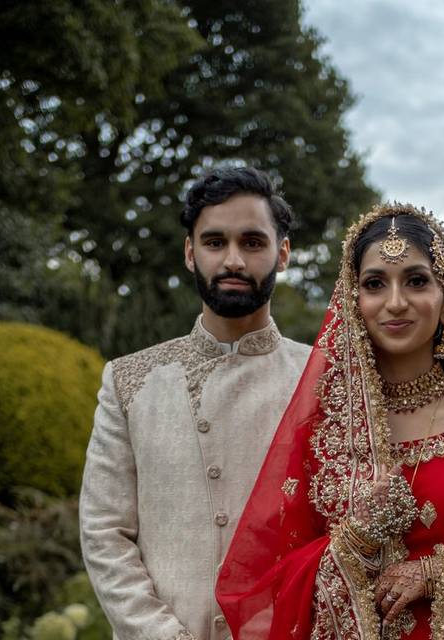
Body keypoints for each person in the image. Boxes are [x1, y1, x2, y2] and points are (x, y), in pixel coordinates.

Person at [216, 203, 444, 640]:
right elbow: (268, 580)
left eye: (416, 281)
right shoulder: (322, 432)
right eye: (375, 284)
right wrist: (354, 542)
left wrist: (439, 574)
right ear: (355, 303)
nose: (395, 302)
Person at [80, 167, 311, 640]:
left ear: (282, 253)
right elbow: (105, 534)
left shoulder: (324, 378)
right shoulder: (129, 381)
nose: (232, 260)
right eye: (214, 242)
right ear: (190, 252)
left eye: (252, 242)